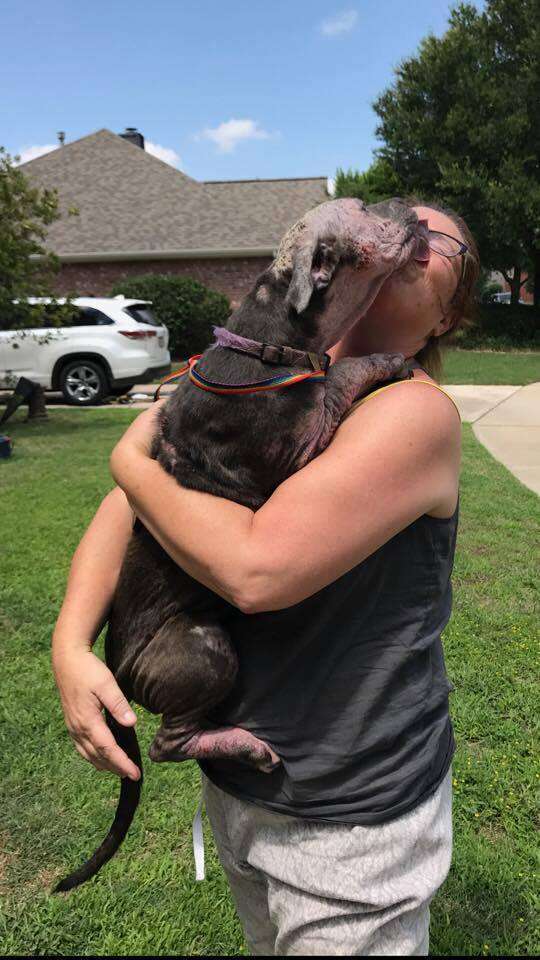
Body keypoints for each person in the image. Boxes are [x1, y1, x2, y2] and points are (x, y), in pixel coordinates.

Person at [52, 200, 480, 957]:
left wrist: (130, 462)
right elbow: (135, 510)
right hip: (245, 784)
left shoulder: (412, 411)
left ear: (448, 316)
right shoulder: (263, 371)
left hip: (349, 814)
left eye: (437, 239)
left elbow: (256, 570)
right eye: (396, 219)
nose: (409, 231)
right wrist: (69, 641)